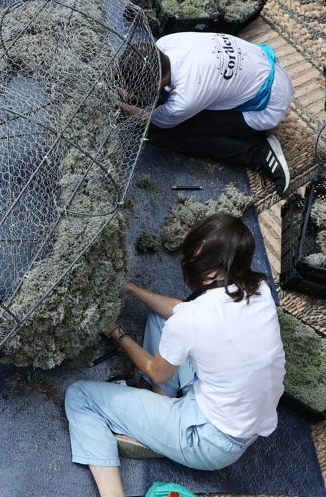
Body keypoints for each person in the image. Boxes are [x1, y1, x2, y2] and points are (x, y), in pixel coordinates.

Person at [64, 213, 285, 497]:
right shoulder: (260, 289)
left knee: (80, 396)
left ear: (200, 260)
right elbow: (183, 313)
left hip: (209, 441)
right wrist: (128, 288)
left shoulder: (191, 321)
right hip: (237, 417)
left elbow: (158, 370)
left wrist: (117, 332)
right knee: (162, 320)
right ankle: (161, 410)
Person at [126, 32, 294, 195]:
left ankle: (258, 153)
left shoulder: (185, 97)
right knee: (176, 105)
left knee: (174, 134)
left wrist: (118, 103)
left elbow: (151, 122)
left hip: (270, 104)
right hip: (258, 64)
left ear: (156, 83)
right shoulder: (165, 42)